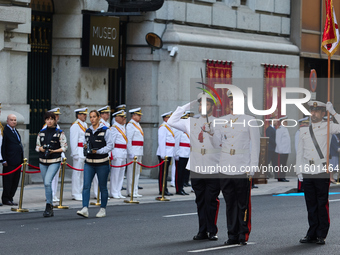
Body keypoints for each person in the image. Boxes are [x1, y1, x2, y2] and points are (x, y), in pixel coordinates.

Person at [168, 92, 221, 241]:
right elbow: (171, 121)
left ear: (212, 107)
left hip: (212, 167)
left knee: (211, 200)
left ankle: (212, 230)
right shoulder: (190, 122)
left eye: (206, 104)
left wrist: (211, 132)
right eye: (200, 104)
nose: (202, 106)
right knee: (200, 201)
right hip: (197, 166)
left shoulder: (218, 122)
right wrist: (188, 104)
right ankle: (202, 231)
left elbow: (219, 144)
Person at [213, 89, 260, 246]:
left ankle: (243, 234)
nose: (233, 103)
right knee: (230, 203)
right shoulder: (222, 121)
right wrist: (209, 131)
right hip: (225, 166)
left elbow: (255, 146)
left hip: (242, 167)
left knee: (243, 204)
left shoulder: (250, 120)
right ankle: (232, 234)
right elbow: (217, 143)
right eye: (231, 100)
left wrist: (253, 166)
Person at [297, 101, 340, 245]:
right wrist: (299, 171)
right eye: (312, 110)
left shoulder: (328, 126)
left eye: (317, 111)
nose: (313, 113)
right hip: (308, 171)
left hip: (322, 171)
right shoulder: (304, 130)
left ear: (323, 113)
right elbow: (300, 152)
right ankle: (312, 233)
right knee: (311, 204)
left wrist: (333, 112)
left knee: (322, 204)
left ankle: (322, 234)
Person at [77, 110, 113, 218]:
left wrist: (97, 151)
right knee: (86, 185)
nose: (92, 119)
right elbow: (85, 142)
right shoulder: (87, 131)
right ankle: (84, 208)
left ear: (98, 118)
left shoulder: (105, 130)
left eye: (94, 117)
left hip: (102, 162)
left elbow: (110, 146)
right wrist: (85, 148)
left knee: (102, 187)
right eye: (90, 117)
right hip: (89, 163)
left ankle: (103, 209)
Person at [36, 112, 68, 217]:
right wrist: (43, 148)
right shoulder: (41, 132)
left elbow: (64, 147)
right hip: (43, 161)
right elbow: (37, 146)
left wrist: (53, 151)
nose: (49, 121)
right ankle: (49, 205)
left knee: (47, 182)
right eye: (47, 119)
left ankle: (48, 205)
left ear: (55, 120)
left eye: (51, 119)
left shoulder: (59, 132)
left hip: (54, 160)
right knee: (46, 184)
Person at [1, 114, 23, 206]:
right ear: (7, 121)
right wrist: (4, 160)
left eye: (15, 120)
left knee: (15, 181)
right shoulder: (5, 131)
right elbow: (3, 146)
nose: (14, 121)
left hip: (17, 160)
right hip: (9, 161)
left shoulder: (15, 131)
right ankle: (6, 198)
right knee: (8, 180)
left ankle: (11, 197)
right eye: (11, 120)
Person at [44, 108, 63, 202]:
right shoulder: (45, 128)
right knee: (50, 177)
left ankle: (54, 193)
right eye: (55, 116)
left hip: (57, 154)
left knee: (56, 177)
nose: (57, 117)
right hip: (50, 155)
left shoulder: (58, 127)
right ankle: (50, 194)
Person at [70, 108, 88, 201]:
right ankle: (75, 193)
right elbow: (73, 140)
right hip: (78, 151)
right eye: (83, 114)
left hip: (84, 151)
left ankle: (80, 191)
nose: (85, 116)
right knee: (77, 173)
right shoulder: (75, 126)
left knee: (82, 174)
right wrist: (75, 153)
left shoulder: (84, 125)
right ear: (78, 115)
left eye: (85, 114)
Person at [93, 106, 111, 199]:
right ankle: (97, 193)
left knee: (103, 175)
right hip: (98, 153)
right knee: (97, 175)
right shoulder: (99, 125)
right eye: (106, 113)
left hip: (105, 152)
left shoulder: (106, 124)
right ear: (101, 115)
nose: (108, 114)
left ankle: (102, 193)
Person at [126, 107, 144, 198]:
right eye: (139, 115)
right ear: (134, 115)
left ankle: (135, 190)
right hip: (133, 152)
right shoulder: (130, 125)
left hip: (139, 151)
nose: (140, 117)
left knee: (137, 173)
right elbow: (128, 140)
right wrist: (130, 152)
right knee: (131, 172)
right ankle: (130, 190)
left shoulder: (137, 124)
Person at [157, 111, 176, 196]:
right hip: (164, 153)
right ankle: (162, 189)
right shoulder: (163, 127)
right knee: (163, 172)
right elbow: (161, 142)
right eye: (169, 117)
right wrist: (163, 154)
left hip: (169, 152)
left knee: (166, 172)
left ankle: (165, 188)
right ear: (165, 118)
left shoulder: (169, 127)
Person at [110, 110, 127, 199]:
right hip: (117, 151)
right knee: (115, 173)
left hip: (123, 151)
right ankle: (113, 191)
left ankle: (118, 190)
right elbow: (112, 142)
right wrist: (112, 154)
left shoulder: (123, 127)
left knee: (121, 173)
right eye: (122, 117)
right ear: (116, 118)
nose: (124, 119)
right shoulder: (114, 128)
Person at [174, 111, 191, 195]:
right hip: (180, 154)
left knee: (183, 172)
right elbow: (176, 142)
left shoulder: (186, 130)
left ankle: (181, 188)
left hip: (186, 154)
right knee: (179, 173)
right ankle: (178, 189)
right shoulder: (178, 130)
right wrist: (176, 154)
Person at [275, 116, 291, 182]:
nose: (286, 122)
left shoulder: (285, 129)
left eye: (286, 121)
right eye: (285, 121)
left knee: (284, 164)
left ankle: (283, 176)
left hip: (286, 150)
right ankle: (280, 177)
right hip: (281, 150)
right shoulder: (280, 129)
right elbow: (278, 140)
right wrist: (280, 150)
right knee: (281, 165)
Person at [265, 114, 278, 179]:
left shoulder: (275, 129)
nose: (276, 122)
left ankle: (276, 175)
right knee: (267, 162)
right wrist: (276, 143)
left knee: (275, 163)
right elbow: (270, 138)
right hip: (270, 148)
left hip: (275, 148)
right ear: (271, 122)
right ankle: (266, 174)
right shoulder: (269, 129)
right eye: (274, 121)